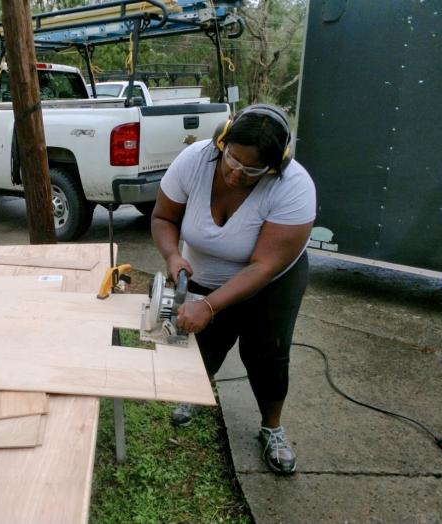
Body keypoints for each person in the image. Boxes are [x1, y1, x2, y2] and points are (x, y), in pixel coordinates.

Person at [151, 104, 316, 475]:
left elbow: (263, 266)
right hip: (205, 270)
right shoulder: (194, 161)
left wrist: (209, 306)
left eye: (252, 169)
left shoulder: (294, 187)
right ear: (221, 142)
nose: (236, 173)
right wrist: (173, 255)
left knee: (266, 354)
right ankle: (196, 395)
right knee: (202, 344)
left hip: (271, 282)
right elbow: (163, 217)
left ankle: (271, 427)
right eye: (232, 159)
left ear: (274, 167)